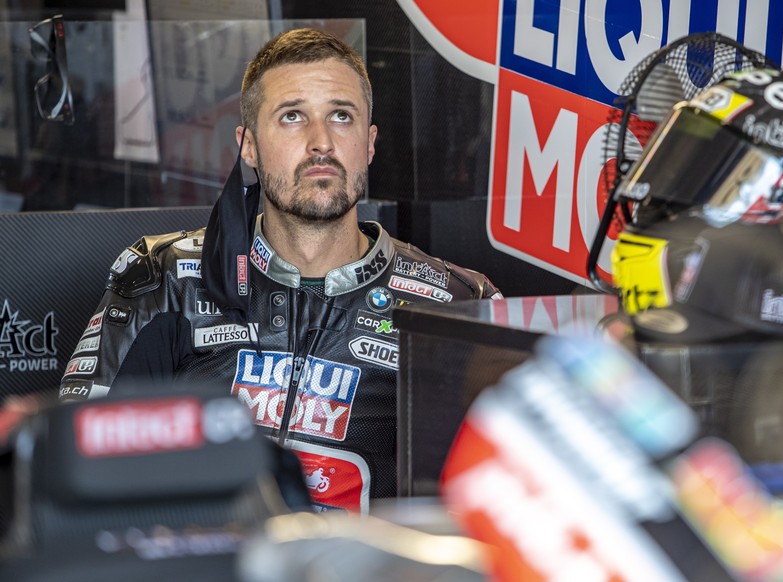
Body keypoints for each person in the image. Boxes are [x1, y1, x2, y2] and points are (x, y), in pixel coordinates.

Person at [57, 27, 502, 513]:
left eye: (341, 116)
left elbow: (509, 502)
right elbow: (73, 464)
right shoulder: (166, 281)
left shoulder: (458, 306)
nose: (321, 143)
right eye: (293, 117)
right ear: (248, 146)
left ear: (369, 143)